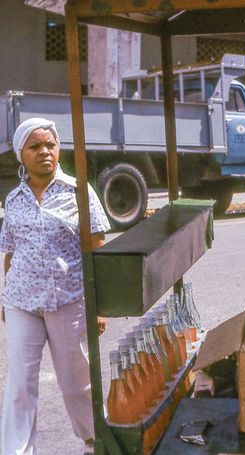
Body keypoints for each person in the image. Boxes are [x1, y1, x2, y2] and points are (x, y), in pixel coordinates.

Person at [0, 118, 111, 454]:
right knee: (19, 383)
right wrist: (5, 299)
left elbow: (97, 248)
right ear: (22, 154)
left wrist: (100, 306)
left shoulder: (78, 191)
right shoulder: (14, 198)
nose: (45, 152)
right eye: (35, 147)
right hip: (22, 303)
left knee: (77, 382)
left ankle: (96, 441)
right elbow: (10, 252)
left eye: (50, 144)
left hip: (69, 300)